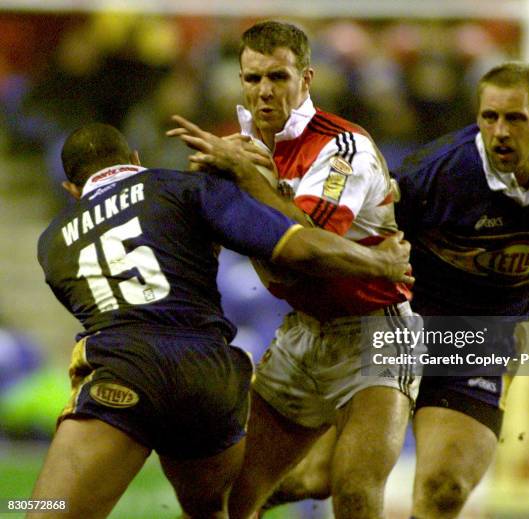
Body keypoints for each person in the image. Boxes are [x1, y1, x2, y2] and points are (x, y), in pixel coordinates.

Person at [243, 61, 529, 519]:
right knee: (319, 480)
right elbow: (365, 236)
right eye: (489, 118)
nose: (500, 132)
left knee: (445, 488)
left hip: (478, 341)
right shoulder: (436, 175)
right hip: (398, 329)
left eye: (515, 118)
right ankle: (227, 507)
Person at [29, 123, 413, 519]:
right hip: (209, 376)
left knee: (44, 510)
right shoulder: (182, 187)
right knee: (217, 512)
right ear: (135, 160)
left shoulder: (52, 242)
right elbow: (297, 246)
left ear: (71, 190)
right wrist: (381, 261)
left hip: (127, 371)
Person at [168, 20, 420, 519]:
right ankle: (308, 478)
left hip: (376, 329)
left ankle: (319, 475)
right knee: (231, 496)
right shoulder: (242, 148)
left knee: (354, 491)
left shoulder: (341, 148)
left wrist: (244, 178)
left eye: (278, 78)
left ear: (306, 79)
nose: (264, 91)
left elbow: (311, 242)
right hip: (303, 332)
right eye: (253, 78)